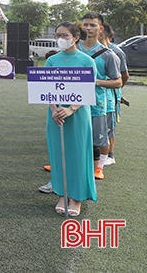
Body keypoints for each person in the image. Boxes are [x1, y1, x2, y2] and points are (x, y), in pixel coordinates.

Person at [45, 22, 97, 216]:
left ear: (76, 37)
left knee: (78, 155)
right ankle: (61, 193)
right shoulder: (52, 60)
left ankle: (76, 197)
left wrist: (71, 109)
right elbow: (46, 87)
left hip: (78, 115)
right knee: (58, 154)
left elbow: (88, 88)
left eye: (65, 35)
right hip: (55, 115)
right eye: (58, 35)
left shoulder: (86, 61)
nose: (60, 39)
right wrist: (54, 109)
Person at [78, 13, 121, 181]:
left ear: (100, 29)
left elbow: (117, 82)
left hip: (97, 104)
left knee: (101, 140)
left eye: (93, 25)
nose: (88, 28)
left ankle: (99, 167)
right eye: (86, 24)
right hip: (72, 103)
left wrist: (96, 82)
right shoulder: (73, 50)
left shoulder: (108, 55)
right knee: (71, 135)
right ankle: (65, 163)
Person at [99, 22, 129, 166]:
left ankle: (110, 154)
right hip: (97, 94)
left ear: (102, 32)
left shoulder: (115, 52)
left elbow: (125, 75)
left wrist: (118, 90)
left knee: (110, 124)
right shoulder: (88, 49)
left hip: (111, 94)